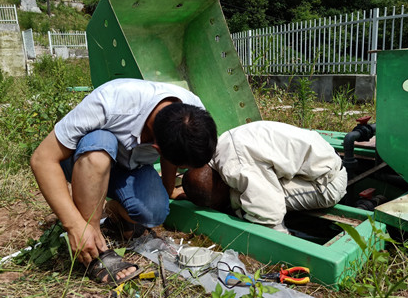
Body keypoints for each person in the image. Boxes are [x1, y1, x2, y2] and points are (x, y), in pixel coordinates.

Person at [30, 78, 217, 285]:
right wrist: (74, 225)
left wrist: (168, 190)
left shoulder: (194, 113)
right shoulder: (110, 102)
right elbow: (42, 159)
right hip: (83, 160)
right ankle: (94, 249)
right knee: (100, 144)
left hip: (129, 165)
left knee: (155, 212)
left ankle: (114, 209)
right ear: (156, 150)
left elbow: (174, 147)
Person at [182, 120, 347, 234]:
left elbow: (269, 211)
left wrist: (278, 247)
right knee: (251, 191)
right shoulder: (221, 147)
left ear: (219, 184)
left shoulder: (234, 166)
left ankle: (286, 237)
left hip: (328, 182)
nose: (218, 206)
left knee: (244, 202)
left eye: (217, 202)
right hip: (320, 163)